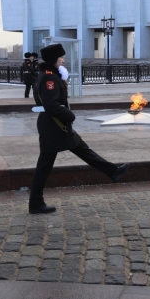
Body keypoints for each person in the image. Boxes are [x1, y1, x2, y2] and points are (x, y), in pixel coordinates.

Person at [29, 43, 130, 214]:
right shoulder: (49, 78)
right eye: (61, 57)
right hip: (54, 125)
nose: (63, 60)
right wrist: (69, 115)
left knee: (82, 149)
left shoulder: (47, 75)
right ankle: (35, 203)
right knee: (45, 164)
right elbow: (50, 104)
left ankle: (113, 171)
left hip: (54, 124)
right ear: (54, 59)